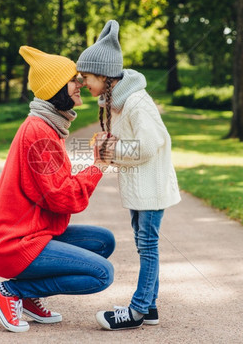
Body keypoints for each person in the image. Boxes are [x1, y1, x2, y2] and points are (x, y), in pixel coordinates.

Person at [0, 46, 116, 333]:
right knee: (102, 275)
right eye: (74, 80)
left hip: (31, 233)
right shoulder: (39, 132)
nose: (80, 84)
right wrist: (99, 166)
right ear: (57, 87)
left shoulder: (48, 127)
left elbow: (55, 191)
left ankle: (28, 296)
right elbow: (62, 197)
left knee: (103, 242)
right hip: (12, 244)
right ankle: (11, 291)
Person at [76, 20, 181, 330]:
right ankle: (149, 307)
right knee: (144, 244)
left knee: (148, 246)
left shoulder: (135, 103)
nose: (84, 83)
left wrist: (112, 149)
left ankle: (136, 311)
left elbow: (150, 144)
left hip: (151, 189)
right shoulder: (118, 103)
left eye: (87, 78)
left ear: (105, 76)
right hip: (140, 190)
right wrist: (110, 145)